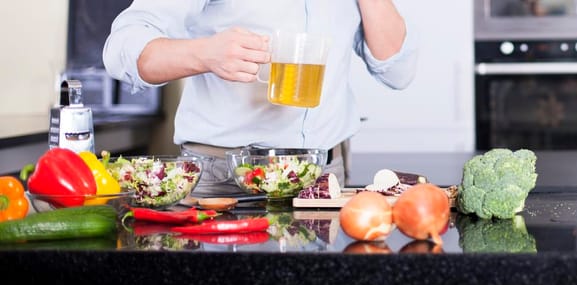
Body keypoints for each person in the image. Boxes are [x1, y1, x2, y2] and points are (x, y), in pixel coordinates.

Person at [103, 0, 418, 196]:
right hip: (226, 177)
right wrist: (203, 53)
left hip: (324, 175)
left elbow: (398, 70)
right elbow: (121, 49)